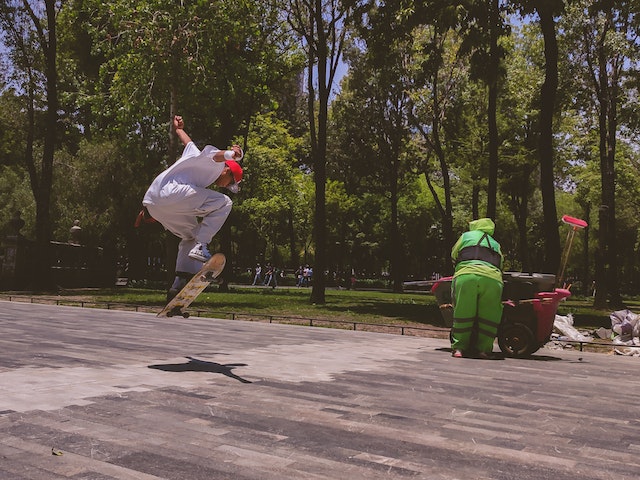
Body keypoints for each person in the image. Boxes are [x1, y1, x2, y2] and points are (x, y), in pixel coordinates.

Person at [142, 115, 244, 300]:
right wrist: (232, 154)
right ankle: (202, 245)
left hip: (155, 203)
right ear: (228, 170)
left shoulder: (193, 155)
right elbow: (216, 155)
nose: (225, 186)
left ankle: (179, 282)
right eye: (230, 182)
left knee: (190, 235)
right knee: (224, 203)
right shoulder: (216, 163)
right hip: (173, 192)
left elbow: (187, 142)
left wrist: (178, 128)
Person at [450, 217, 504, 359]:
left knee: (463, 312)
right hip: (493, 279)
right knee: (489, 317)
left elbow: (454, 254)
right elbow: (501, 264)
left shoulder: (466, 237)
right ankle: (484, 350)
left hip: (467, 275)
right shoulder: (496, 244)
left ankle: (459, 349)